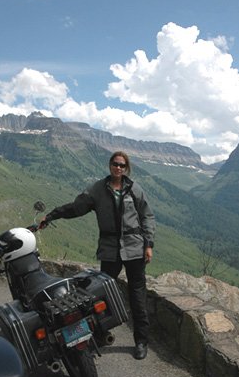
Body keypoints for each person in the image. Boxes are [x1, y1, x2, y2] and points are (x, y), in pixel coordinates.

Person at [42, 151, 155, 360]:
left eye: (122, 165)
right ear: (110, 165)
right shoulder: (97, 189)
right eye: (115, 164)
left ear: (126, 168)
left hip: (134, 247)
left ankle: (141, 341)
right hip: (110, 249)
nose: (118, 168)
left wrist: (148, 244)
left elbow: (146, 216)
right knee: (102, 295)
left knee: (137, 296)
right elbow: (76, 208)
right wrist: (52, 215)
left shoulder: (134, 189)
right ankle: (101, 334)